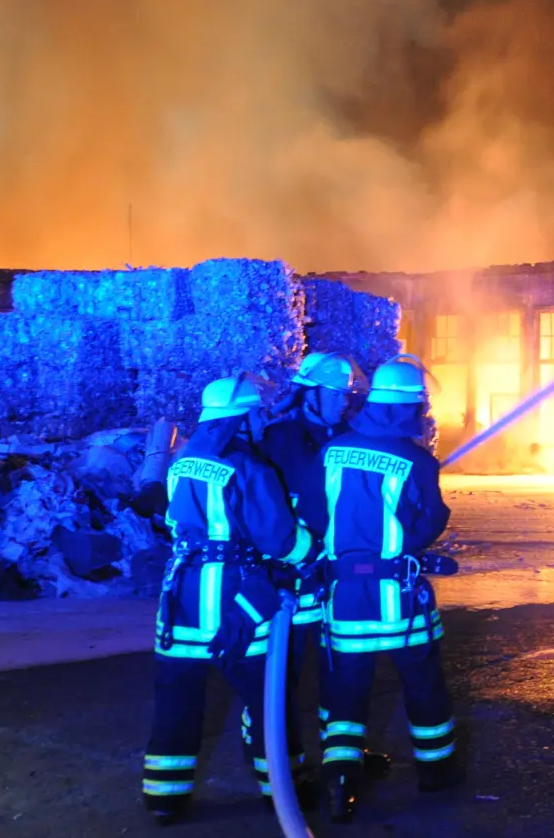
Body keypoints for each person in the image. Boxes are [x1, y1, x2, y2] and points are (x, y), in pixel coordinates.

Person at [141, 373, 309, 825]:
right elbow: (278, 540)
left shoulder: (181, 460)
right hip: (236, 604)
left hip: (180, 602)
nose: (261, 421)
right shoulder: (250, 466)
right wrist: (312, 550)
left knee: (176, 703)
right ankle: (282, 788)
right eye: (256, 413)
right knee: (267, 699)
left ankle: (164, 799)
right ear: (243, 417)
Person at [316, 355, 461, 823]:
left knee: (346, 691)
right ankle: (436, 773)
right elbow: (430, 520)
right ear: (408, 409)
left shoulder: (333, 449)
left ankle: (341, 781)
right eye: (420, 407)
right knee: (423, 685)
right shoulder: (416, 460)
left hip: (344, 596)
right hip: (398, 596)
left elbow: (317, 516)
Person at [249, 351, 392, 780]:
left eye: (348, 395)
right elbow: (272, 514)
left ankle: (342, 757)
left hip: (337, 576)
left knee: (342, 669)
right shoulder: (282, 439)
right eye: (336, 394)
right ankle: (280, 765)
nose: (344, 402)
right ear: (309, 393)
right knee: (282, 674)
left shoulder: (348, 437)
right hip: (290, 577)